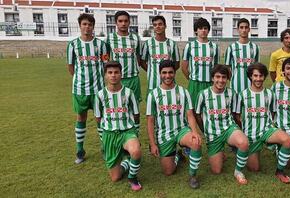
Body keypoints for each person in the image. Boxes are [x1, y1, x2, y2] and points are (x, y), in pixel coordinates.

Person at [146, 60, 203, 189]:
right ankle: (177, 155)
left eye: (170, 72)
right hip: (163, 134)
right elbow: (150, 120)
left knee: (195, 142)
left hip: (181, 130)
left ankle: (193, 175)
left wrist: (194, 132)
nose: (167, 76)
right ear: (160, 74)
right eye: (164, 73)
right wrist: (153, 143)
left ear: (174, 73)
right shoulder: (153, 94)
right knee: (168, 172)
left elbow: (190, 115)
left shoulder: (183, 92)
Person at [234, 63, 290, 184]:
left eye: (261, 75)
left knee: (287, 140)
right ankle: (263, 148)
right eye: (255, 75)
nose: (258, 78)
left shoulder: (270, 94)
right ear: (250, 76)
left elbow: (273, 112)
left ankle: (280, 171)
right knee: (254, 169)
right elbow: (236, 116)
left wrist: (270, 126)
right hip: (251, 135)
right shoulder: (242, 95)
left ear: (264, 77)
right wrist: (242, 132)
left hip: (267, 130)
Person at [195, 64, 249, 185]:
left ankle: (238, 171)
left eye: (224, 77)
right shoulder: (203, 94)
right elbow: (197, 115)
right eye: (217, 77)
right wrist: (204, 130)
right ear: (212, 78)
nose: (220, 80)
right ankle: (220, 151)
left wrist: (241, 131)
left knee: (243, 142)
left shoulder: (232, 93)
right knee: (216, 171)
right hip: (213, 134)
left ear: (227, 79)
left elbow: (236, 115)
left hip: (229, 128)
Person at [66, 13, 108, 164]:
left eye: (90, 24)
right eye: (84, 24)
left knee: (100, 119)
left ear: (93, 26)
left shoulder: (101, 45)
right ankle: (80, 150)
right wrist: (80, 80)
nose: (87, 27)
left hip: (98, 90)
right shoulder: (73, 45)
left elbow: (106, 65)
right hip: (80, 89)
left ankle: (105, 148)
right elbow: (71, 67)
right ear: (80, 25)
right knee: (81, 117)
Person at [94, 61, 142, 191]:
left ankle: (132, 177)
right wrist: (103, 139)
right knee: (115, 177)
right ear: (105, 75)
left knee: (136, 151)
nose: (113, 75)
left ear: (121, 74)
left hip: (127, 131)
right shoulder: (99, 95)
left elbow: (136, 115)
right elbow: (98, 119)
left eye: (116, 72)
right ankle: (127, 161)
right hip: (109, 134)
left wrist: (135, 134)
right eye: (110, 73)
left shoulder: (129, 93)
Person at [106, 11, 143, 104]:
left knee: (135, 108)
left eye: (126, 21)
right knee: (118, 106)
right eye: (120, 21)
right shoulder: (110, 38)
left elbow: (138, 56)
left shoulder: (136, 37)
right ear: (116, 22)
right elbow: (105, 56)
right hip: (117, 79)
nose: (123, 23)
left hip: (133, 78)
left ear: (129, 22)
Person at [182, 17, 219, 105]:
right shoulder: (190, 46)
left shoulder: (214, 47)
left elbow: (216, 67)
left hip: (209, 83)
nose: (203, 30)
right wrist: (192, 79)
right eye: (200, 28)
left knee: (209, 108)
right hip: (195, 84)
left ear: (208, 30)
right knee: (193, 109)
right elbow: (183, 67)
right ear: (196, 31)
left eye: (205, 28)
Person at [141, 15, 180, 92]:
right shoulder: (148, 43)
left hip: (169, 84)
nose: (157, 27)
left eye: (160, 24)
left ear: (165, 26)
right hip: (152, 84)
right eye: (155, 25)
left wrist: (168, 73)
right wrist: (151, 71)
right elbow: (142, 62)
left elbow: (177, 64)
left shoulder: (172, 44)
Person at [225, 18, 260, 93]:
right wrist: (233, 78)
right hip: (236, 86)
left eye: (246, 27)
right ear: (237, 29)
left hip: (252, 86)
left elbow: (257, 67)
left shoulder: (255, 47)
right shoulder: (231, 47)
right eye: (241, 27)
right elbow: (227, 67)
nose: (244, 30)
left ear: (249, 29)